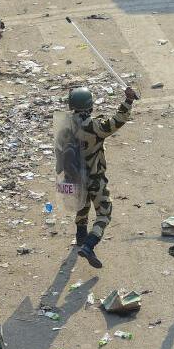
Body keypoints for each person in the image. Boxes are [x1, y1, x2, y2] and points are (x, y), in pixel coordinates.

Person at [67, 85, 137, 268]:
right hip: (94, 177)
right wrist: (128, 100)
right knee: (104, 213)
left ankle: (81, 237)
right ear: (90, 106)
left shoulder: (64, 125)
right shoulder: (94, 126)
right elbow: (117, 120)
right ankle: (89, 246)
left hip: (74, 176)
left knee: (82, 206)